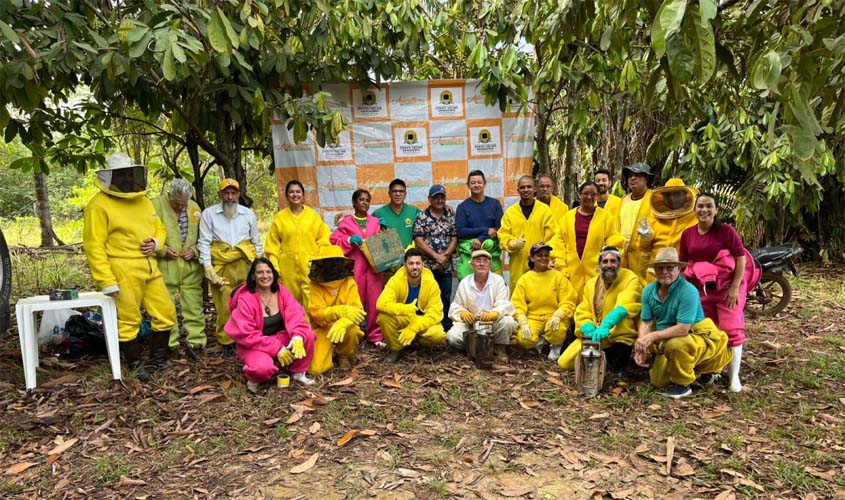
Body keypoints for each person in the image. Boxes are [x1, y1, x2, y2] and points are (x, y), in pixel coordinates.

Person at [83, 152, 176, 380]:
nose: (126, 179)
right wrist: (106, 280)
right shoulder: (98, 205)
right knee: (129, 319)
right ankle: (135, 364)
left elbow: (160, 228)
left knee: (166, 312)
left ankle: (158, 360)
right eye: (121, 175)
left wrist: (156, 243)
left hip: (150, 266)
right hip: (122, 267)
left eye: (129, 174)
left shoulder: (143, 201)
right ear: (110, 177)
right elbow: (94, 245)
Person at [633, 248, 732, 399]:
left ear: (679, 269)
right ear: (655, 270)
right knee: (659, 381)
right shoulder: (648, 291)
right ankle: (697, 372)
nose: (665, 271)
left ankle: (683, 385)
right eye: (660, 268)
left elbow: (683, 329)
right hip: (666, 337)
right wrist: (642, 345)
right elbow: (646, 322)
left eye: (670, 267)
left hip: (695, 335)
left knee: (676, 345)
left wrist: (651, 337)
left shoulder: (688, 291)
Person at [680, 193, 754, 393]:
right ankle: (713, 369)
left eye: (708, 206)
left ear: (716, 210)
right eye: (700, 206)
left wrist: (734, 287)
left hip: (728, 286)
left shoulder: (726, 231)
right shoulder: (687, 234)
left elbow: (740, 258)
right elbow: (684, 263)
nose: (704, 210)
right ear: (694, 210)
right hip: (702, 288)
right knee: (709, 329)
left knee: (732, 329)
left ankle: (734, 376)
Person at [225, 257, 316, 391]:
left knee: (306, 334)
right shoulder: (246, 299)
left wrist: (297, 336)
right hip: (254, 345)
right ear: (253, 276)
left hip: (280, 337)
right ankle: (255, 378)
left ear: (274, 274)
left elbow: (295, 314)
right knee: (261, 368)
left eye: (268, 272)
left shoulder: (282, 291)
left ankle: (298, 372)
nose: (265, 276)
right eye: (260, 272)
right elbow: (247, 335)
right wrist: (277, 348)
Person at [558, 246, 642, 385]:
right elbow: (583, 310)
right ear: (599, 264)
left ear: (619, 263)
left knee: (624, 325)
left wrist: (607, 324)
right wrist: (587, 326)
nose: (609, 265)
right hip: (595, 335)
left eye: (613, 261)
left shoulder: (630, 278)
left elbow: (626, 304)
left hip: (618, 333)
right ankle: (605, 358)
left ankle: (620, 370)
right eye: (605, 261)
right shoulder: (591, 284)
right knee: (564, 362)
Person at [198, 178, 263, 354]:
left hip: (244, 263)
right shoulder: (209, 214)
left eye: (233, 193)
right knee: (225, 304)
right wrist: (208, 267)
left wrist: (260, 264)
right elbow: (204, 242)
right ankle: (226, 341)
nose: (230, 196)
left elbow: (256, 242)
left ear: (238, 195)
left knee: (247, 301)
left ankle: (248, 337)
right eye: (226, 193)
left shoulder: (248, 214)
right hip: (221, 264)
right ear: (220, 195)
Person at [151, 179, 205, 359]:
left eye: (184, 204)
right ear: (169, 196)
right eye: (177, 204)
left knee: (194, 305)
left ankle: (196, 343)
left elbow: (203, 236)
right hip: (166, 267)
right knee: (166, 308)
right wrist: (163, 250)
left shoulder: (194, 207)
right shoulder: (155, 205)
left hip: (190, 267)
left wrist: (195, 251)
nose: (181, 208)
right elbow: (147, 236)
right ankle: (170, 345)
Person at [264, 179, 331, 310]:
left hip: (310, 268)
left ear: (303, 195)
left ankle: (310, 330)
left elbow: (323, 239)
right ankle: (293, 330)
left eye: (298, 192)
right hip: (287, 270)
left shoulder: (313, 216)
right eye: (291, 192)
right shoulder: (280, 218)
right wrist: (275, 270)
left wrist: (319, 261)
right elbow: (272, 247)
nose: (295, 195)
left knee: (312, 304)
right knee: (289, 304)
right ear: (287, 196)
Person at [331, 189, 386, 345]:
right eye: (361, 200)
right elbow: (334, 240)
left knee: (375, 301)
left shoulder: (375, 221)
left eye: (367, 200)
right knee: (355, 300)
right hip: (355, 267)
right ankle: (353, 334)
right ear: (354, 203)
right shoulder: (346, 222)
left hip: (373, 268)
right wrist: (348, 239)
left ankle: (375, 336)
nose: (364, 203)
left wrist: (384, 231)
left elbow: (382, 244)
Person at [445, 249, 517, 363]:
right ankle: (474, 348)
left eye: (485, 261)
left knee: (508, 322)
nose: (482, 264)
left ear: (490, 264)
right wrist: (463, 313)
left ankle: (499, 348)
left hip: (492, 323)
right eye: (478, 261)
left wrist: (495, 313)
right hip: (471, 325)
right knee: (453, 336)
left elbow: (504, 303)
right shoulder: (465, 282)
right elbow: (456, 306)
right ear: (472, 264)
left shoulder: (498, 280)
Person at [376, 248, 446, 363]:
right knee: (384, 317)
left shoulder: (431, 283)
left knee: (437, 334)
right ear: (404, 265)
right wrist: (405, 309)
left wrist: (414, 327)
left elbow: (436, 313)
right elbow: (381, 304)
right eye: (411, 263)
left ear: (423, 265)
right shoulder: (396, 280)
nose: (414, 267)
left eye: (418, 263)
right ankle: (396, 349)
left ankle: (422, 344)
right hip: (405, 317)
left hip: (422, 320)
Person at [511, 242, 577, 360]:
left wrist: (558, 315)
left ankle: (556, 345)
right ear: (532, 258)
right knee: (524, 338)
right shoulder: (525, 279)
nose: (543, 258)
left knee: (556, 330)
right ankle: (538, 341)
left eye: (546, 255)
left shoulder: (558, 276)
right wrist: (522, 321)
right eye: (539, 255)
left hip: (553, 317)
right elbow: (517, 303)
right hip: (533, 318)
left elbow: (569, 300)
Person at [559, 182, 625, 298]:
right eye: (585, 193)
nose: (589, 197)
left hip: (596, 271)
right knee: (569, 304)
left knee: (595, 303)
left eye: (593, 194)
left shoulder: (605, 218)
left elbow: (614, 242)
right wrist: (561, 265)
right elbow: (559, 242)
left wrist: (606, 265)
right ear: (579, 194)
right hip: (571, 271)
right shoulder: (567, 217)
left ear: (597, 196)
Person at [306, 246, 366, 374]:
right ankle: (327, 353)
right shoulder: (314, 284)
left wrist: (344, 322)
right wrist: (340, 311)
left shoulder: (349, 282)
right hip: (321, 328)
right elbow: (316, 313)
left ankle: (343, 355)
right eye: (328, 262)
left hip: (344, 327)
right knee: (316, 369)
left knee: (353, 331)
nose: (332, 266)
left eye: (335, 262)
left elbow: (357, 311)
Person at [498, 176, 563, 292]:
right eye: (522, 187)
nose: (526, 190)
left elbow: (554, 236)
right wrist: (512, 243)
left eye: (529, 187)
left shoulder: (544, 210)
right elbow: (503, 235)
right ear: (518, 190)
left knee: (541, 295)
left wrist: (549, 257)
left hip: (541, 263)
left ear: (534, 190)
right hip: (518, 263)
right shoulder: (510, 213)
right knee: (519, 297)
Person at [631, 178, 699, 284]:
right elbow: (643, 248)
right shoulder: (654, 217)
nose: (672, 198)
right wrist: (645, 238)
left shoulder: (695, 218)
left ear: (685, 195)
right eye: (668, 195)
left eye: (676, 194)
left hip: (683, 276)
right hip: (656, 275)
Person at [413, 184, 457, 330]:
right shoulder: (422, 216)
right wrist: (436, 257)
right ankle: (426, 327)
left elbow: (454, 238)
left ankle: (445, 328)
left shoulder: (451, 215)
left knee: (445, 297)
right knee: (425, 298)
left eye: (442, 197)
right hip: (427, 267)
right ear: (429, 199)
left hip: (446, 266)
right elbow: (418, 240)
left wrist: (444, 257)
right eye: (435, 197)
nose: (439, 200)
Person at [455, 170, 504, 279]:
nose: (476, 185)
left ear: (484, 184)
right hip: (469, 254)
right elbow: (461, 231)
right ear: (468, 185)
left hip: (492, 255)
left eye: (479, 182)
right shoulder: (462, 207)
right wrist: (486, 231)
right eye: (473, 183)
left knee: (495, 290)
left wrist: (481, 239)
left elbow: (498, 229)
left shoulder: (495, 204)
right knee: (467, 291)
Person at [619, 163, 654, 279]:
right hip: (624, 256)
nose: (632, 178)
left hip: (645, 254)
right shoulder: (624, 200)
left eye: (637, 175)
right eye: (630, 176)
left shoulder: (655, 198)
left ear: (646, 178)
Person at [373, 178, 420, 248]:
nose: (398, 194)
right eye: (395, 191)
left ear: (405, 194)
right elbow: (370, 236)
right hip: (389, 256)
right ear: (389, 194)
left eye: (401, 191)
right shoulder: (378, 213)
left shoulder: (414, 211)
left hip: (410, 256)